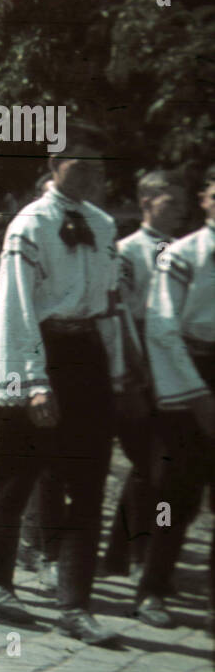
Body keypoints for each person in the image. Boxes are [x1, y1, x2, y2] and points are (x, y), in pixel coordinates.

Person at [0, 136, 140, 646]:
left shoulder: (102, 223)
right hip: (40, 353)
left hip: (87, 356)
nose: (95, 176)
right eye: (84, 165)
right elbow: (15, 307)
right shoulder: (29, 224)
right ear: (55, 165)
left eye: (101, 167)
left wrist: (118, 372)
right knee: (17, 478)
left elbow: (110, 303)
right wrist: (30, 382)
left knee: (89, 485)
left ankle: (75, 604)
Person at [138, 164, 215, 631]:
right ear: (206, 198)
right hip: (189, 374)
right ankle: (153, 586)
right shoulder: (183, 254)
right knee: (175, 495)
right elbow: (162, 327)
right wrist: (199, 397)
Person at [102, 169, 187, 577]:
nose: (179, 211)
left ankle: (123, 552)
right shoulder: (128, 251)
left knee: (160, 466)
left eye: (182, 203)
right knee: (151, 464)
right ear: (147, 203)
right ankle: (138, 551)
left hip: (178, 371)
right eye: (170, 202)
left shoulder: (185, 250)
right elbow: (123, 315)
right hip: (141, 370)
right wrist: (133, 372)